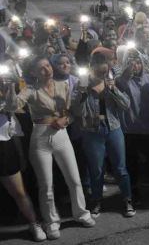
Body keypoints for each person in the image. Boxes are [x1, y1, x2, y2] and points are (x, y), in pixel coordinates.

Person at [15, 56, 95, 240]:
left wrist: (67, 118)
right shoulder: (30, 90)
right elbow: (15, 105)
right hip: (40, 137)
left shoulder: (63, 86)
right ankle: (51, 222)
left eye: (48, 65)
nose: (47, 69)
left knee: (74, 179)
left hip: (61, 135)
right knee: (46, 185)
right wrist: (9, 90)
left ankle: (81, 213)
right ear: (34, 72)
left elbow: (74, 112)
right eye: (41, 68)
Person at [76, 52, 134, 217]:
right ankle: (97, 201)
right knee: (97, 170)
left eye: (105, 71)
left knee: (121, 168)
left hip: (113, 128)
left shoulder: (112, 83)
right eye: (99, 72)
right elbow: (77, 111)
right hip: (92, 132)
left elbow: (125, 105)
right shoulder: (83, 85)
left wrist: (113, 89)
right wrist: (82, 92)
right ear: (91, 69)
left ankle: (128, 199)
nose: (102, 74)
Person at [116, 49, 149, 205]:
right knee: (132, 163)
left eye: (138, 63)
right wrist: (127, 72)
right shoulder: (122, 81)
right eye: (132, 63)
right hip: (130, 129)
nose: (136, 66)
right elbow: (121, 84)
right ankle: (134, 190)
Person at [0, 72, 46, 241]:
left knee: (18, 191)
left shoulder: (5, 84)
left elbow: (11, 107)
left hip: (3, 141)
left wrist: (10, 86)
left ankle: (33, 222)